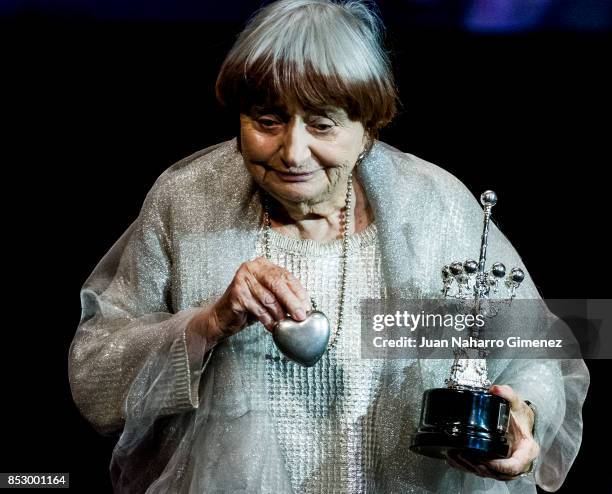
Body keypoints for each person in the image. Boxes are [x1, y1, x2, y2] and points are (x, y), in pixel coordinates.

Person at [68, 1, 589, 492]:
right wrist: (209, 323)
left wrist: (523, 418)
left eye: (322, 123)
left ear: (369, 130)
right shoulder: (186, 203)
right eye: (266, 120)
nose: (293, 152)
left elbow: (541, 356)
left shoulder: (437, 211)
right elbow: (94, 372)